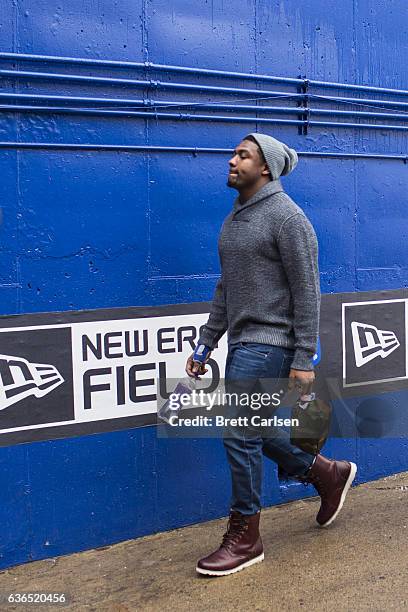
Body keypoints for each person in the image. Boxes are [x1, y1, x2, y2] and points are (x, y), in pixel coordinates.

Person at [185, 133, 357, 577]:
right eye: (234, 153)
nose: (232, 160)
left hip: (272, 343)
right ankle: (324, 473)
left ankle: (246, 536)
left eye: (243, 154)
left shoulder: (287, 217)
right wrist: (206, 342)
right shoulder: (234, 222)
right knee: (252, 431)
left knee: (238, 432)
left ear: (267, 168)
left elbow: (308, 290)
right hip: (241, 343)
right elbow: (226, 289)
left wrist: (303, 359)